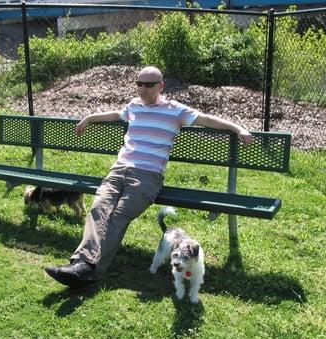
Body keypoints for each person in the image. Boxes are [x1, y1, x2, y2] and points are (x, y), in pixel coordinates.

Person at [46, 66, 252, 288]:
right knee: (98, 210)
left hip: (147, 176)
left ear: (161, 86)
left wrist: (238, 128)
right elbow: (114, 114)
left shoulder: (175, 110)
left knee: (117, 217)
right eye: (139, 84)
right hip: (119, 170)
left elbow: (206, 119)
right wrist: (88, 118)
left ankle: (85, 268)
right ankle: (82, 266)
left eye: (149, 84)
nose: (143, 88)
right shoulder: (134, 106)